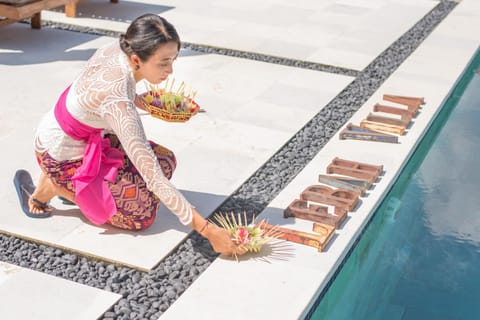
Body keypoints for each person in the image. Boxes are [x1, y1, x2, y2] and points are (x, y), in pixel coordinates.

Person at [14, 13, 245, 257]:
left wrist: (140, 101)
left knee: (166, 161)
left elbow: (96, 93)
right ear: (136, 59)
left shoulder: (116, 48)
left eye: (173, 60)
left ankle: (82, 190)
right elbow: (154, 178)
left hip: (70, 133)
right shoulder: (119, 104)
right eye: (163, 62)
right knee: (141, 217)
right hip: (60, 157)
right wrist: (208, 231)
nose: (170, 70)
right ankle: (55, 186)